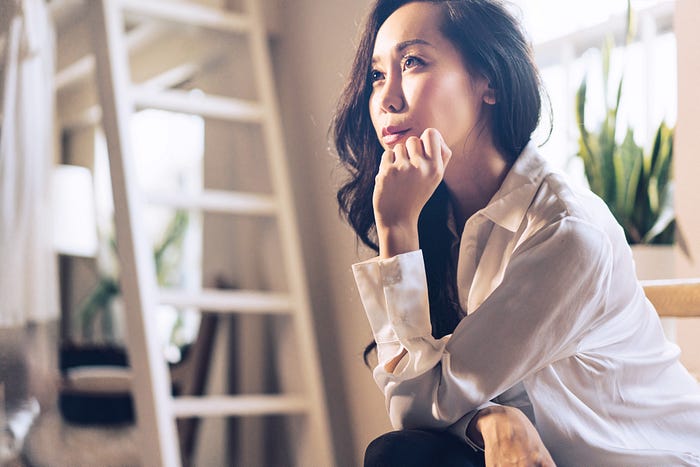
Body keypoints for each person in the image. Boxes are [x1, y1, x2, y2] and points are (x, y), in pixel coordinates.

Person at [330, 0, 700, 465]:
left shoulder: (565, 232)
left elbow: (415, 403)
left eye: (413, 62)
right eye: (377, 74)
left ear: (490, 80)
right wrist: (487, 420)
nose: (387, 99)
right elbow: (425, 398)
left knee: (400, 454)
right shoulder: (444, 220)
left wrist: (396, 228)